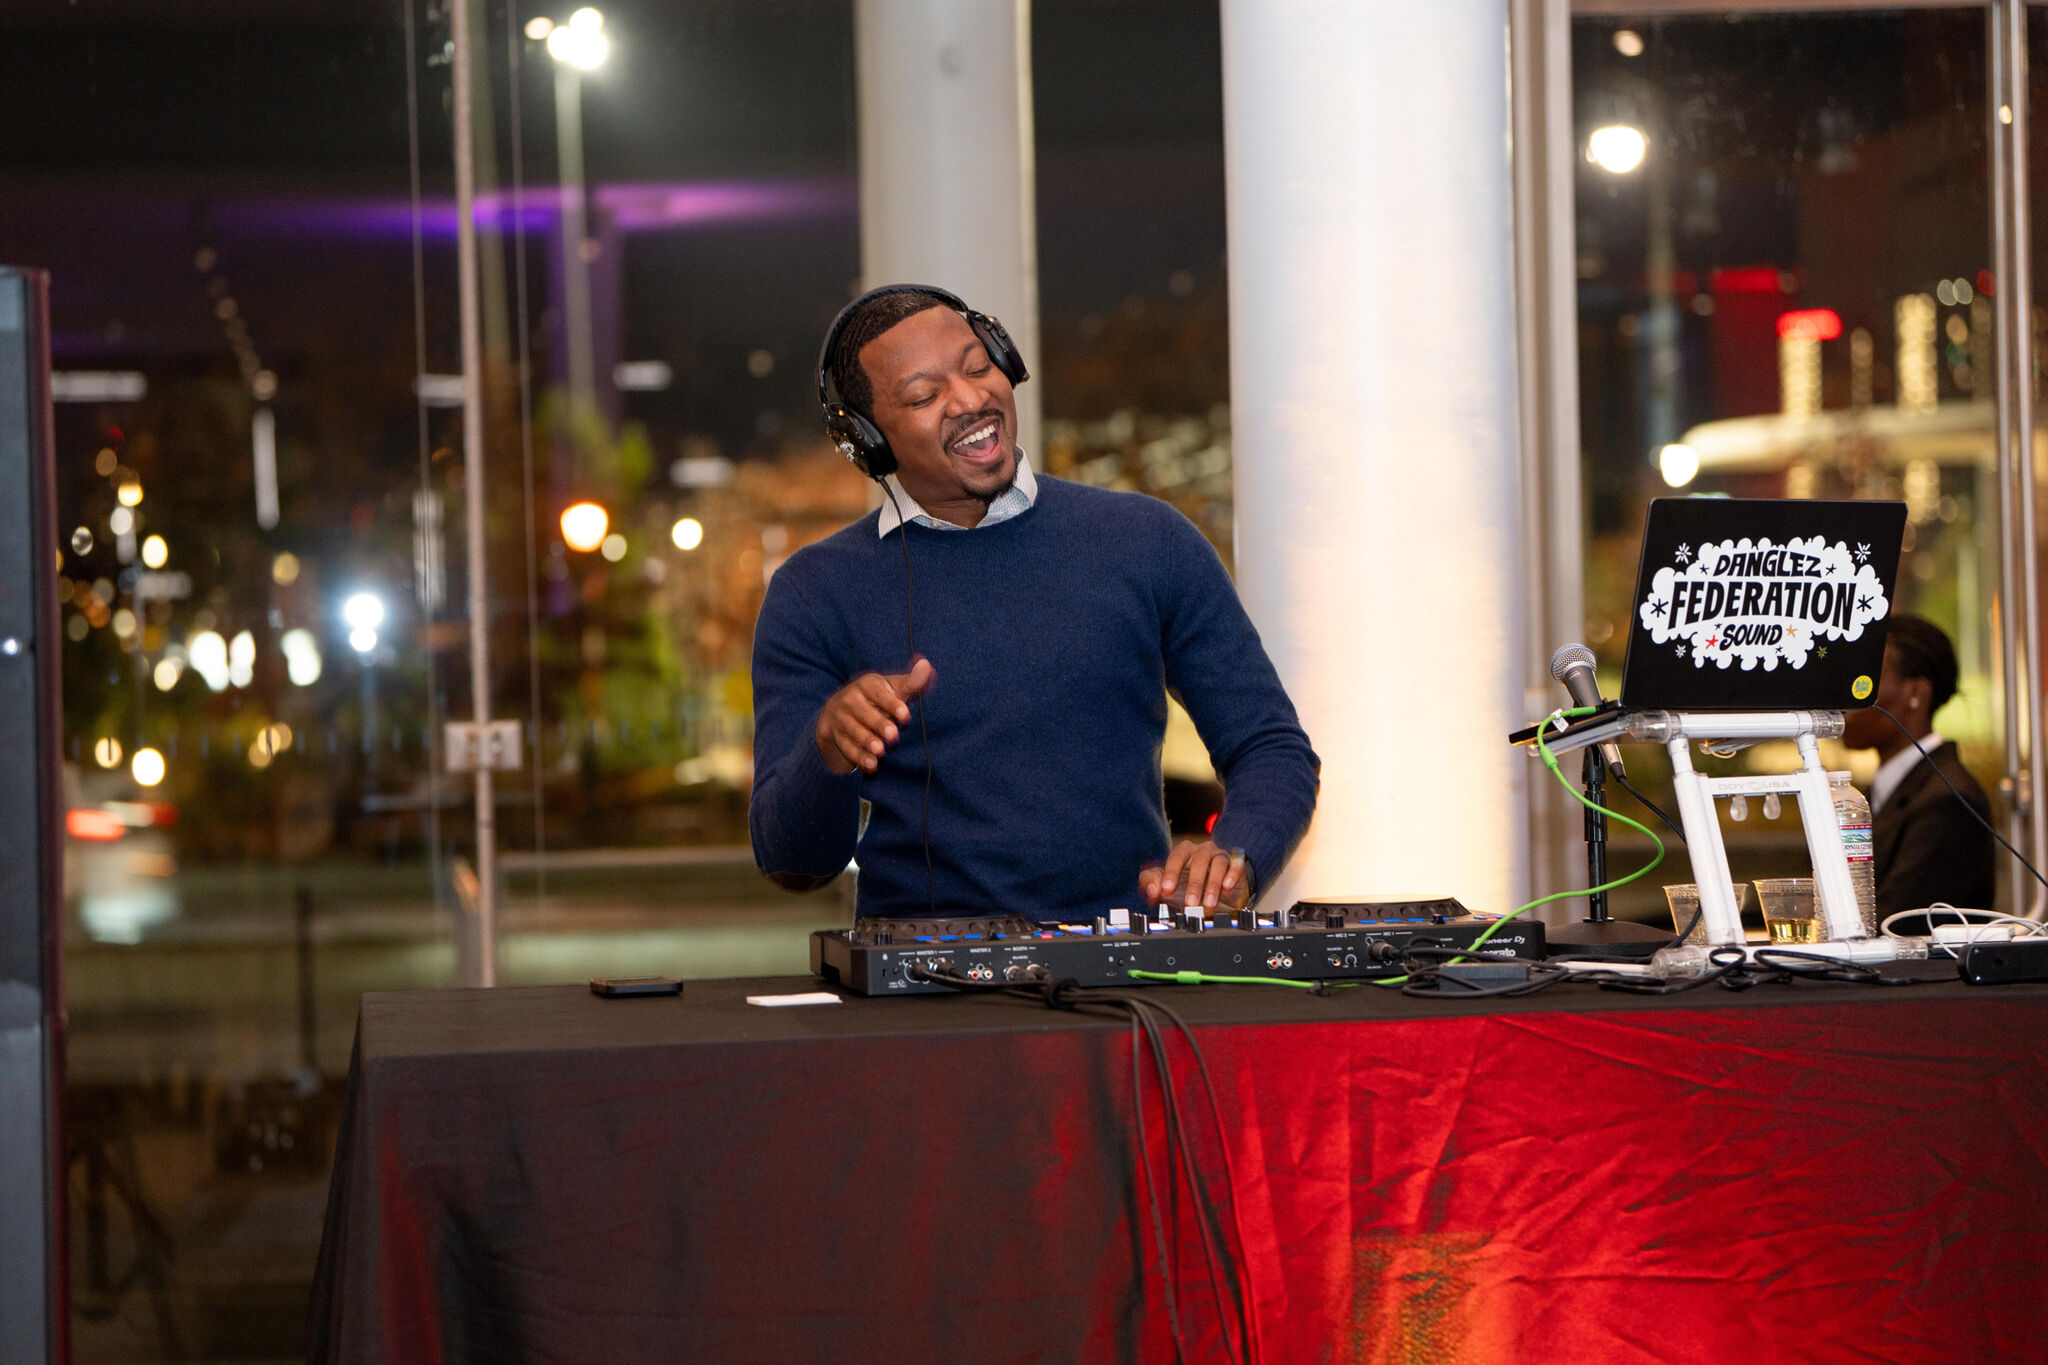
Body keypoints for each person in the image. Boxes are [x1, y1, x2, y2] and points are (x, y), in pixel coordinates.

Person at [748, 285, 1319, 923]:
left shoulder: (1148, 540)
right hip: (919, 997)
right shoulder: (812, 592)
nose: (970, 400)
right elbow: (793, 863)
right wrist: (828, 749)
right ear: (866, 440)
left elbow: (1271, 747)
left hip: (1129, 984)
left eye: (977, 366)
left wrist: (1236, 859)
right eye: (923, 395)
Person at [1840, 614, 1995, 921]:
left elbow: (1898, 922)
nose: (1847, 699)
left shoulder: (1947, 801)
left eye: (1864, 681)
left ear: (1916, 694)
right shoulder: (1881, 791)